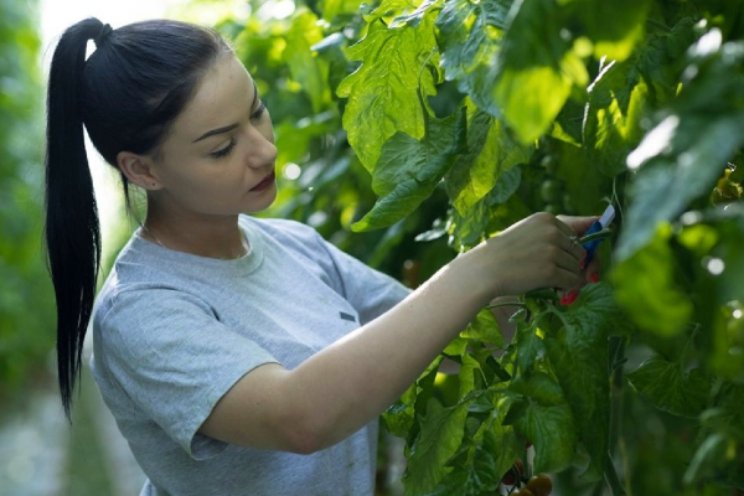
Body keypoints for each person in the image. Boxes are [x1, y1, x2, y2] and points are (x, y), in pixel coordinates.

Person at [44, 17, 596, 496]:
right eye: (221, 147)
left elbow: (442, 343)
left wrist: (566, 265)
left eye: (256, 113)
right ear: (143, 170)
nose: (264, 150)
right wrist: (483, 265)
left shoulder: (294, 246)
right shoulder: (141, 312)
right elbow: (298, 417)